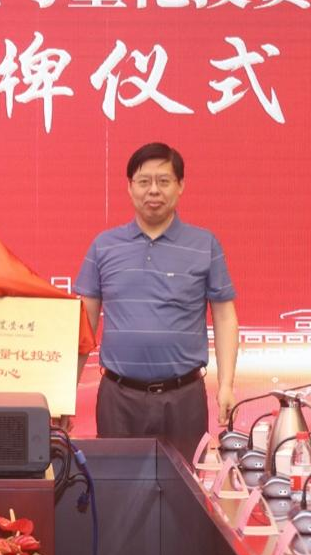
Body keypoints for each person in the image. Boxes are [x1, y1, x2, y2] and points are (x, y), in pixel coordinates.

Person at [75, 142, 239, 459]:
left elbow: (224, 317)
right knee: (118, 486)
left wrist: (226, 385)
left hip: (184, 398)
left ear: (180, 186)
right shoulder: (104, 246)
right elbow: (84, 324)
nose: (153, 190)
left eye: (164, 181)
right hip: (119, 398)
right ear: (130, 187)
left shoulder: (204, 244)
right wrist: (66, 391)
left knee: (185, 485)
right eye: (144, 181)